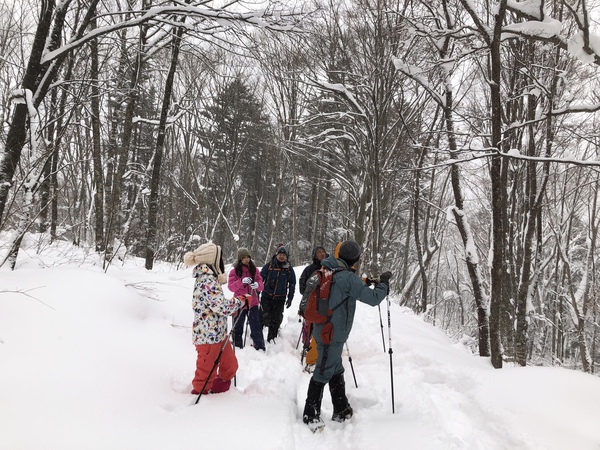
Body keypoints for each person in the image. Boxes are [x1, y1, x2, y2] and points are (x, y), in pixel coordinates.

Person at [302, 239, 392, 430]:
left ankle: (341, 409)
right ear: (355, 259)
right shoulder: (347, 278)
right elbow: (374, 298)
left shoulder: (329, 269)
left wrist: (367, 282)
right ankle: (311, 415)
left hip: (323, 329)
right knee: (322, 371)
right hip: (332, 333)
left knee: (335, 368)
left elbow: (350, 286)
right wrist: (383, 284)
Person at [183, 242, 249, 396]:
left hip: (219, 335)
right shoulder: (206, 280)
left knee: (230, 367)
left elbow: (218, 307)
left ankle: (219, 396)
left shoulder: (212, 279)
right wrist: (241, 301)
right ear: (212, 260)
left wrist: (235, 305)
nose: (222, 262)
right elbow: (222, 307)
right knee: (204, 377)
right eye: (219, 258)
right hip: (207, 337)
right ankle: (200, 406)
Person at [228, 248, 265, 351]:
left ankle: (260, 347)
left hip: (253, 302)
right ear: (240, 259)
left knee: (256, 325)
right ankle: (237, 345)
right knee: (238, 325)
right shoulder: (234, 271)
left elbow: (261, 285)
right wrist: (241, 281)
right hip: (240, 302)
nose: (246, 259)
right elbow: (231, 287)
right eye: (244, 257)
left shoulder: (255, 270)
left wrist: (257, 285)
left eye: (248, 257)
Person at [299, 246, 328, 372]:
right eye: (318, 253)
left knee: (322, 327)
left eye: (323, 252)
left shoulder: (329, 269)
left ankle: (321, 348)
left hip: (325, 303)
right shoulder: (309, 269)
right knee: (308, 325)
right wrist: (308, 292)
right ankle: (306, 345)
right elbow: (302, 284)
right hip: (311, 303)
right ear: (314, 255)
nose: (321, 254)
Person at [260, 243, 296, 343]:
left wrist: (290, 298)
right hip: (266, 296)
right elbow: (260, 279)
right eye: (280, 254)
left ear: (286, 257)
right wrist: (257, 291)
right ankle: (256, 339)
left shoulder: (288, 269)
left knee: (276, 320)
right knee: (263, 317)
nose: (281, 256)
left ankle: (271, 340)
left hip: (280, 299)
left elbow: (292, 283)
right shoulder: (269, 265)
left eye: (284, 255)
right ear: (276, 254)